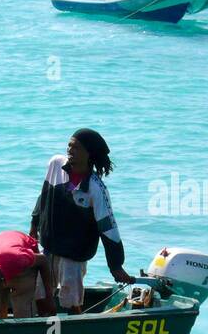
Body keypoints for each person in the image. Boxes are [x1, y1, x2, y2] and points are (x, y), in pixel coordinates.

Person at [29, 128, 135, 315]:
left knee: (70, 299)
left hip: (74, 254)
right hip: (49, 247)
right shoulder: (55, 165)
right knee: (40, 293)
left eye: (76, 147)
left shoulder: (96, 189)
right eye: (69, 145)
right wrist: (33, 225)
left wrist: (116, 266)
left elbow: (108, 229)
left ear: (89, 154)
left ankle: (74, 328)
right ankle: (47, 327)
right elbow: (42, 197)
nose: (70, 150)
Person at [0, 230, 57, 321]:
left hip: (21, 266)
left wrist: (49, 297)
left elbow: (43, 260)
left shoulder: (19, 259)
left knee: (23, 314)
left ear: (4, 282)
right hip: (1, 255)